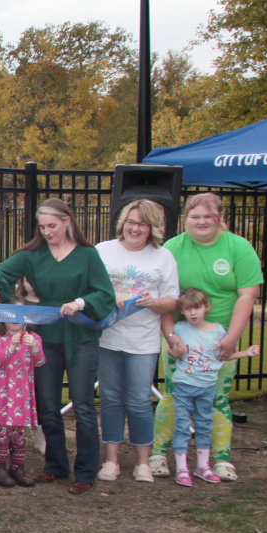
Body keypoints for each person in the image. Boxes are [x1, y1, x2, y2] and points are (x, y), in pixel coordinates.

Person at [0, 198, 117, 495]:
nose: (47, 232)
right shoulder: (33, 254)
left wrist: (81, 303)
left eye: (52, 226)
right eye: (42, 227)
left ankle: (85, 471)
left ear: (68, 221)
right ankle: (55, 465)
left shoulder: (87, 255)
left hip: (81, 339)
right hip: (46, 340)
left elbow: (104, 294)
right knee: (48, 406)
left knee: (82, 405)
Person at [155, 193, 263, 482]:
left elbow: (247, 295)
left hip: (220, 341)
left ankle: (220, 459)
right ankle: (158, 454)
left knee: (217, 399)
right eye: (195, 216)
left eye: (208, 216)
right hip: (181, 341)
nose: (201, 221)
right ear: (186, 219)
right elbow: (165, 297)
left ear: (219, 218)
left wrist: (231, 338)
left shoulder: (238, 247)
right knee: (172, 396)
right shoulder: (173, 248)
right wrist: (171, 337)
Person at [95, 199, 180, 483]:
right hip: (107, 338)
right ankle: (111, 461)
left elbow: (172, 300)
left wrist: (153, 302)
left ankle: (143, 463)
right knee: (109, 400)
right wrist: (109, 297)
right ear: (122, 222)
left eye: (142, 223)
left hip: (143, 342)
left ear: (152, 227)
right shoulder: (103, 250)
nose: (135, 228)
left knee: (140, 401)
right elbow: (90, 289)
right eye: (131, 221)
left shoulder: (163, 257)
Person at [167, 289, 260, 487]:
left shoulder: (218, 331)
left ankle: (202, 466)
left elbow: (222, 356)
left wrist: (245, 353)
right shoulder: (180, 328)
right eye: (188, 309)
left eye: (197, 308)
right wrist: (176, 351)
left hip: (207, 388)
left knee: (204, 425)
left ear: (206, 308)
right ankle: (182, 469)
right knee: (182, 426)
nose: (193, 313)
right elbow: (172, 352)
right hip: (184, 386)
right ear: (182, 311)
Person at [0, 300, 46, 488]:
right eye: (10, 314)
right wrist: (12, 347)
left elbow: (40, 362)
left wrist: (34, 348)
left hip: (23, 394)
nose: (15, 318)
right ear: (2, 317)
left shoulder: (34, 337)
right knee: (3, 430)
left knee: (19, 431)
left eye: (20, 313)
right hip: (2, 393)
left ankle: (17, 468)